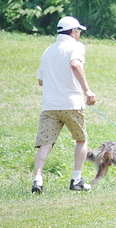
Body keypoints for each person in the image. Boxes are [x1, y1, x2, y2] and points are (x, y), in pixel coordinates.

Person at [32, 16, 97, 193]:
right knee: (81, 140)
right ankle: (76, 180)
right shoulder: (76, 47)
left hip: (50, 105)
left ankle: (37, 180)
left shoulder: (48, 50)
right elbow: (75, 64)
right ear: (73, 32)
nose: (80, 34)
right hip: (72, 103)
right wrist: (87, 91)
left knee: (45, 143)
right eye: (79, 31)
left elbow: (41, 81)